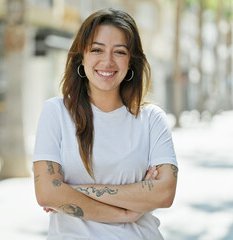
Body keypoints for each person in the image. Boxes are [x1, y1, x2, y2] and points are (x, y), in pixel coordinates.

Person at [33, 8, 178, 240]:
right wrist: (125, 214)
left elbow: (164, 194)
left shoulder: (152, 119)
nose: (107, 61)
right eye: (97, 49)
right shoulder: (56, 112)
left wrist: (70, 191)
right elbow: (47, 193)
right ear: (82, 56)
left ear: (131, 61)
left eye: (119, 52)